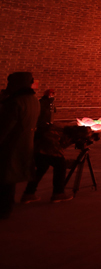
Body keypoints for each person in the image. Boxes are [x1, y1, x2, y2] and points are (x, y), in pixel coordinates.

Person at [0, 72, 40, 219]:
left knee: (4, 180)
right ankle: (6, 208)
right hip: (23, 145)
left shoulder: (15, 102)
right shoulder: (34, 100)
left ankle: (4, 209)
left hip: (9, 147)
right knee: (9, 181)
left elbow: (4, 127)